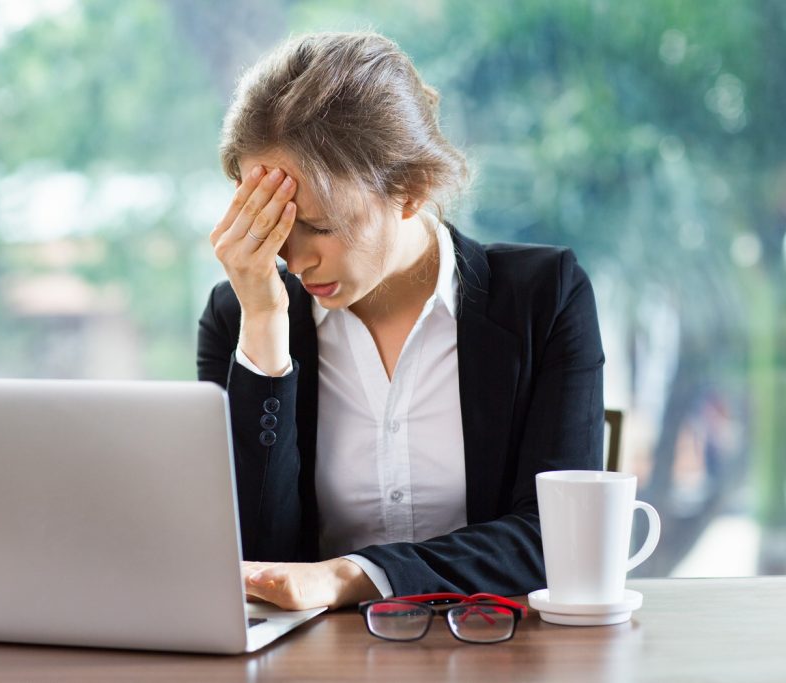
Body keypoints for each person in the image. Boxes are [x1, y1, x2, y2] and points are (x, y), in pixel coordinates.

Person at [197, 31, 604, 611]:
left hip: (498, 650)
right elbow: (248, 559)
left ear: (409, 188)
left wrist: (352, 575)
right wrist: (264, 325)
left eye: (317, 225)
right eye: (272, 224)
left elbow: (557, 539)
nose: (295, 258)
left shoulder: (545, 298)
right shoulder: (239, 314)